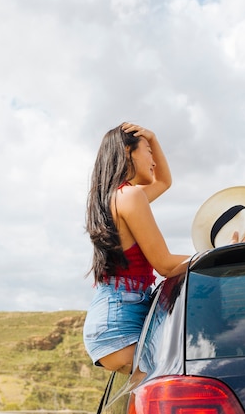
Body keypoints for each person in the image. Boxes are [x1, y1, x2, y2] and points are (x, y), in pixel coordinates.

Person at [83, 122, 191, 374]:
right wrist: (218, 255)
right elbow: (165, 265)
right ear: (127, 152)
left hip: (114, 317)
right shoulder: (128, 197)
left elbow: (164, 181)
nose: (153, 160)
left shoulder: (118, 197)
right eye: (148, 151)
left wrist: (152, 138)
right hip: (120, 323)